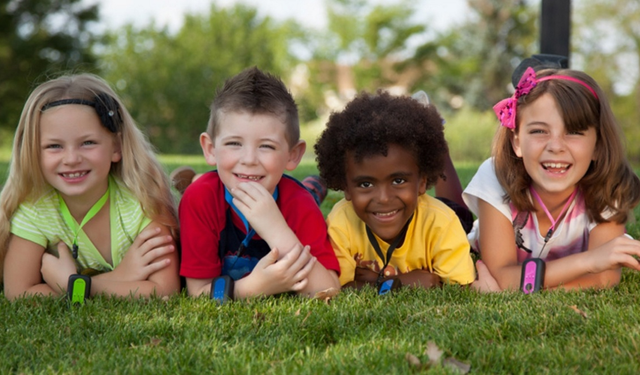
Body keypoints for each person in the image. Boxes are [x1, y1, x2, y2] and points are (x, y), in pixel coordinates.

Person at [0, 74, 180, 300]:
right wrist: (121, 277)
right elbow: (18, 292)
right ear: (33, 152)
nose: (72, 158)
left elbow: (166, 289)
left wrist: (75, 285)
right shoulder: (35, 210)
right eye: (54, 146)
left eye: (88, 143)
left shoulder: (142, 202)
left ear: (116, 147)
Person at [463, 65, 640, 291]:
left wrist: (519, 290)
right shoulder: (496, 175)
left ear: (597, 145)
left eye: (574, 132)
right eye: (539, 131)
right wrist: (590, 260)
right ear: (517, 142)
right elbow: (502, 275)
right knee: (451, 219)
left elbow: (603, 279)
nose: (556, 146)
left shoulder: (610, 185)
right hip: (476, 239)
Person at [179, 67, 340, 299]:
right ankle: (191, 180)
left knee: (307, 194)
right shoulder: (199, 199)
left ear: (293, 155)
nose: (249, 160)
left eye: (266, 146)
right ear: (210, 149)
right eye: (234, 143)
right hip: (207, 188)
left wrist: (275, 228)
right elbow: (198, 291)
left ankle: (314, 186)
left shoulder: (298, 203)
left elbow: (327, 290)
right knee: (200, 185)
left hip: (297, 194)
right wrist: (255, 287)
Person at [314, 91, 476, 290]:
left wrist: (371, 280)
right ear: (346, 187)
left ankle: (440, 143)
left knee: (460, 213)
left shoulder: (442, 222)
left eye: (398, 180)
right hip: (414, 207)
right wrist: (398, 283)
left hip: (439, 213)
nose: (383, 198)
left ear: (423, 182)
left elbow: (460, 287)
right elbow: (339, 287)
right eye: (366, 184)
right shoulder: (341, 222)